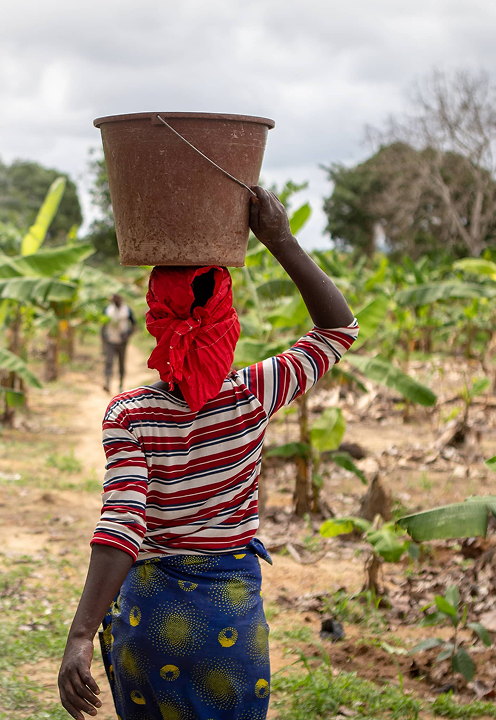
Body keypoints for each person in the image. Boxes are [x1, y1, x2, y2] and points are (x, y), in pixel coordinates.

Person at [58, 187, 359, 720]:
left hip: (148, 618)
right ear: (227, 322)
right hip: (228, 616)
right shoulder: (254, 393)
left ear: (154, 320)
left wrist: (81, 635)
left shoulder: (129, 415)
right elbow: (338, 329)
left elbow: (122, 525)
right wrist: (280, 240)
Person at [102, 294, 136, 393]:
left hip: (122, 342)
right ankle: (107, 383)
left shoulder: (127, 310)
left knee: (121, 363)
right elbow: (103, 324)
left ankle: (121, 385)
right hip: (110, 340)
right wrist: (104, 338)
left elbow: (134, 324)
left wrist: (128, 334)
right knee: (109, 362)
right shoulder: (108, 310)